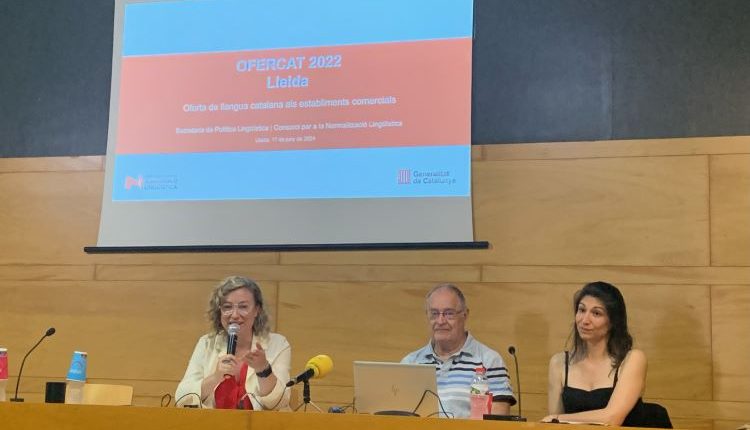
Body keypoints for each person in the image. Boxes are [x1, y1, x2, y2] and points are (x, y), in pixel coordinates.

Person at [543, 281, 651, 426]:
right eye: (582, 310)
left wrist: (557, 418)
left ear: (612, 321)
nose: (584, 320)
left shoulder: (633, 359)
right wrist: (555, 419)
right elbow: (554, 426)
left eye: (596, 313)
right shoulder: (558, 363)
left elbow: (611, 418)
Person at [401, 283, 516, 418]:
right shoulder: (410, 363)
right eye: (434, 313)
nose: (440, 321)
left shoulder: (489, 361)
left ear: (465, 315)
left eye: (449, 313)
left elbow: (498, 422)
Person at [175, 276, 291, 410]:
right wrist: (215, 377)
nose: (234, 315)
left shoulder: (278, 344)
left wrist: (263, 370)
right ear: (219, 311)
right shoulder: (207, 343)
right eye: (227, 307)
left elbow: (280, 403)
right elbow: (181, 399)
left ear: (257, 310)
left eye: (243, 307)